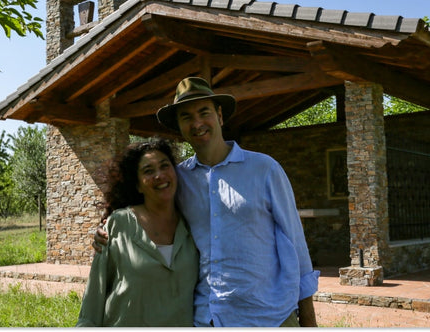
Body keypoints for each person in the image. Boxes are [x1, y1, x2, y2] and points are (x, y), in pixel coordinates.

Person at [93, 77, 320, 327]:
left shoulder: (264, 169)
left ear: (220, 116)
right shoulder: (179, 179)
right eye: (186, 116)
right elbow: (148, 208)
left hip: (268, 316)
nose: (197, 123)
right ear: (179, 126)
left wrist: (308, 317)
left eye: (204, 112)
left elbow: (295, 241)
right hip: (208, 318)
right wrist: (109, 226)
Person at [76, 138, 199, 327]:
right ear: (138, 185)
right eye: (148, 171)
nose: (159, 175)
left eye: (164, 166)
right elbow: (94, 298)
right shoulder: (119, 224)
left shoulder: (193, 226)